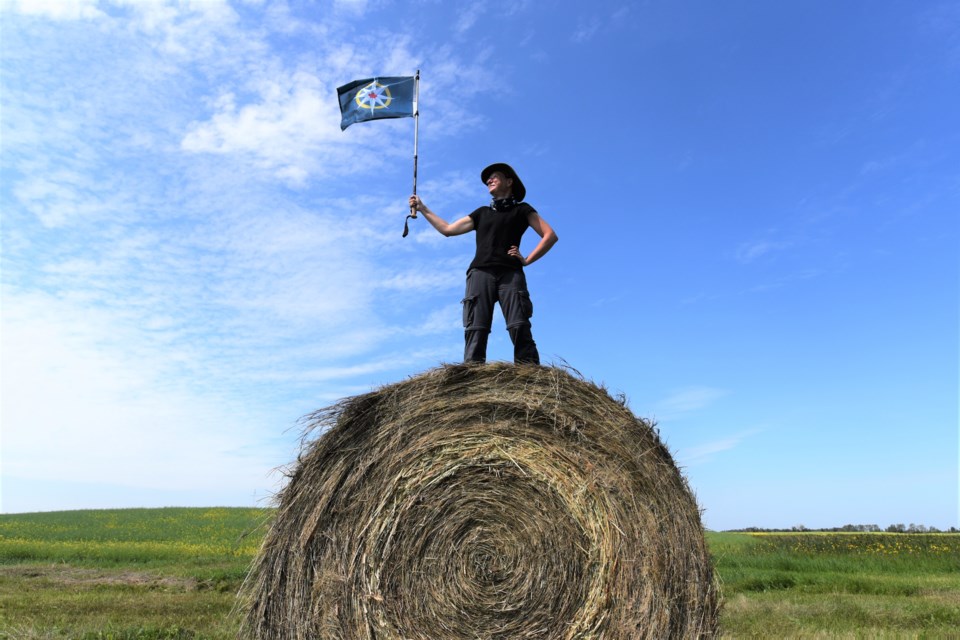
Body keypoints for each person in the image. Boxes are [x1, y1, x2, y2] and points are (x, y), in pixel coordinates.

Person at [409, 162, 558, 364]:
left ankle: (530, 375)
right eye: (488, 179)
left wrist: (528, 260)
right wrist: (423, 208)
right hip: (480, 273)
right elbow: (447, 229)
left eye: (494, 176)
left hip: (511, 273)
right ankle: (471, 374)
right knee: (476, 327)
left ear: (509, 181)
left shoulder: (523, 210)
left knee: (519, 324)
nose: (489, 180)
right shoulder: (481, 213)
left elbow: (549, 236)